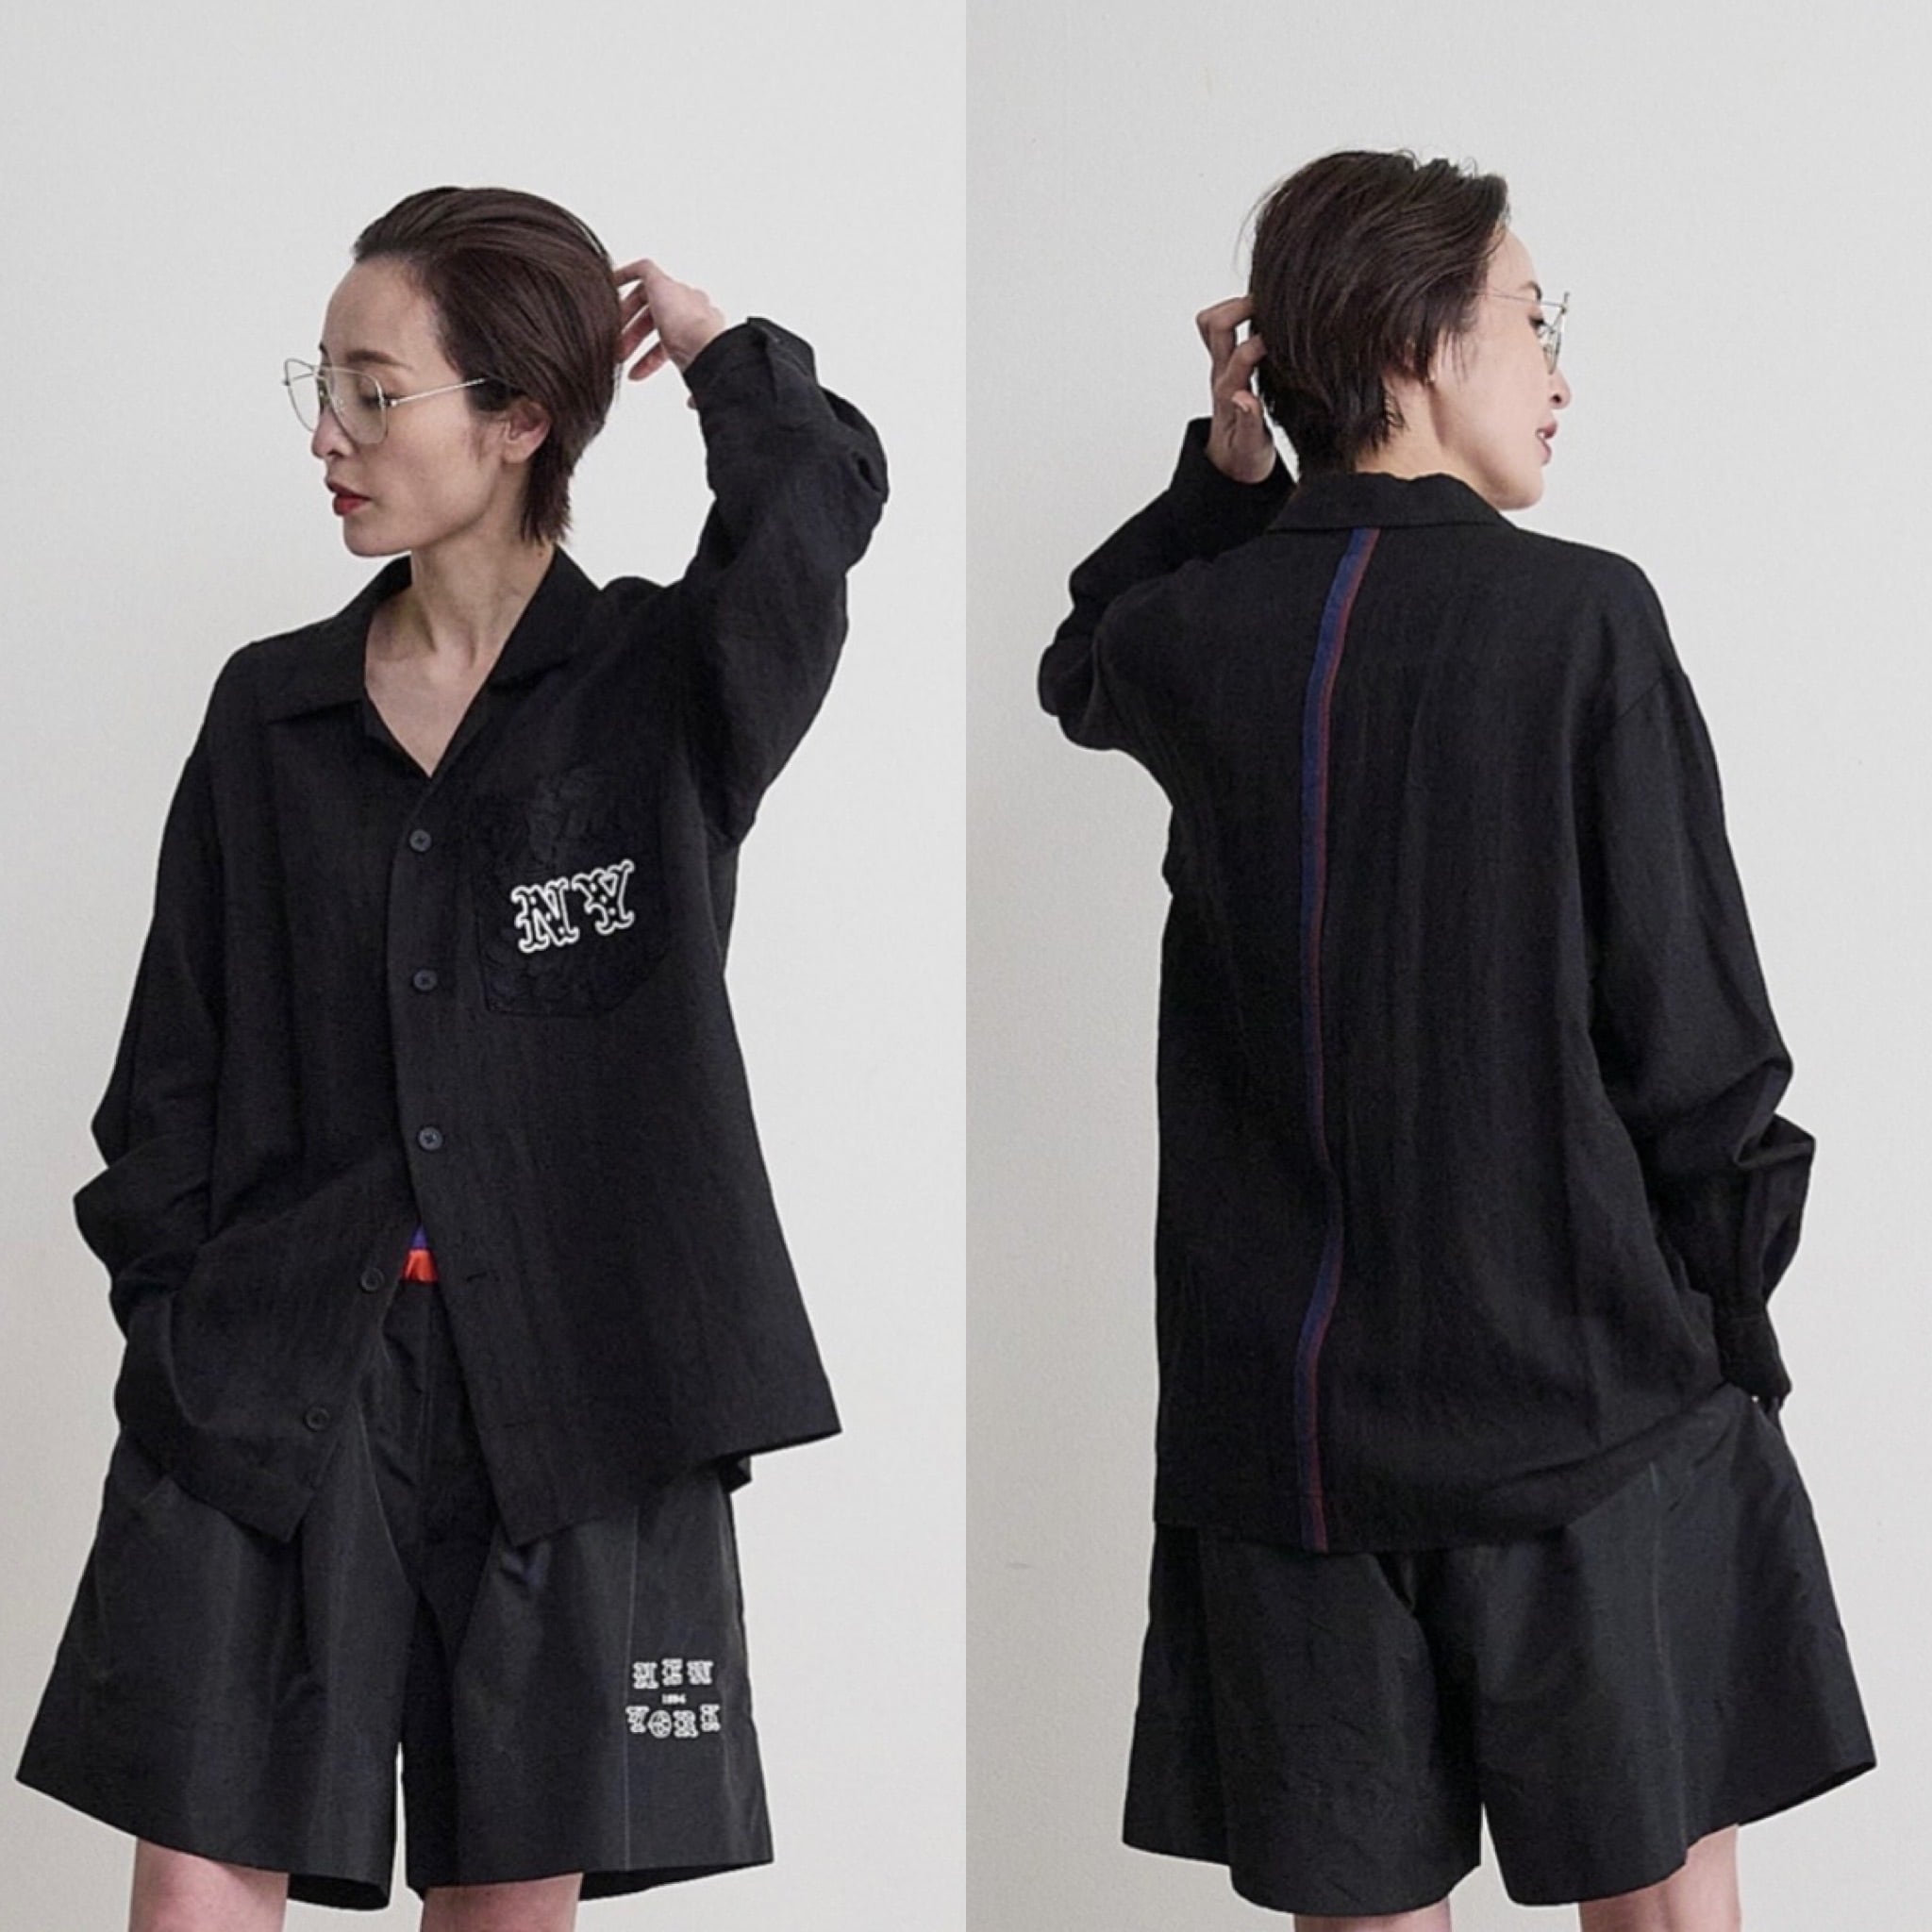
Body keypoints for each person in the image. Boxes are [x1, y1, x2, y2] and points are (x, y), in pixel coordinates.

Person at [16, 185, 887, 1928]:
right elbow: (166, 1078)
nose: (327, 437)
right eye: (320, 387)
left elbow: (812, 514)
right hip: (273, 1381)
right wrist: (185, 1331)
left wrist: (728, 357)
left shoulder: (661, 691)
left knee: (506, 1905)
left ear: (519, 420)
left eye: (373, 390)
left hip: (572, 1402)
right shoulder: (269, 711)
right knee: (191, 1895)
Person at [1038, 149, 1873, 1929]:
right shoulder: (1581, 617)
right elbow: (1698, 1035)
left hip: (1288, 1436)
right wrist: (1726, 1327)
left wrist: (1226, 478)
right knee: (1663, 1907)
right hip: (1584, 1395)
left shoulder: (1197, 633)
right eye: (1532, 319)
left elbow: (1081, 662)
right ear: (1419, 344)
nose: (1559, 372)